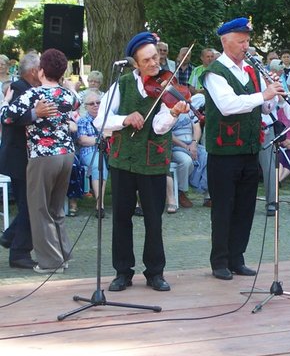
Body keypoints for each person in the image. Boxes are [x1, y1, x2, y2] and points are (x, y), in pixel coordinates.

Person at [94, 31, 189, 292]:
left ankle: (155, 272)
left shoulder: (165, 85)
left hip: (153, 161)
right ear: (135, 64)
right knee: (121, 218)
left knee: (154, 219)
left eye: (156, 58)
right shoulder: (120, 85)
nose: (154, 64)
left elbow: (159, 128)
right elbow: (100, 122)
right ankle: (122, 272)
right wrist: (124, 119)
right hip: (123, 161)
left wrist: (172, 113)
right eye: (147, 60)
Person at [200, 17, 284, 280]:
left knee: (246, 207)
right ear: (225, 42)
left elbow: (265, 108)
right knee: (224, 207)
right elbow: (228, 105)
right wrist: (264, 95)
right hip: (223, 151)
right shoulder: (214, 72)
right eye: (240, 41)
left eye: (247, 41)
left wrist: (274, 95)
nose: (246, 46)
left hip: (249, 148)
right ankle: (220, 261)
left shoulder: (251, 69)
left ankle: (238, 258)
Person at [1, 49, 81, 274]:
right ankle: (63, 256)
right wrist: (71, 88)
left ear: (42, 70)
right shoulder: (67, 95)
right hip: (66, 154)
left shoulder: (33, 95)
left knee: (40, 210)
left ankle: (50, 262)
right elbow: (76, 102)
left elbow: (6, 116)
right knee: (57, 208)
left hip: (43, 156)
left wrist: (5, 100)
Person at [0, 52, 56, 269]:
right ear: (34, 71)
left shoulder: (25, 88)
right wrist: (35, 113)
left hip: (23, 156)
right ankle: (19, 251)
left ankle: (11, 236)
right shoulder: (19, 89)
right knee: (30, 205)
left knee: (29, 204)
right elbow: (9, 119)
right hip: (18, 157)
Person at [77, 89, 108, 217]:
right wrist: (102, 138)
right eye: (91, 103)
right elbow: (83, 140)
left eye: (98, 102)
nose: (95, 105)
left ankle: (135, 204)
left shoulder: (108, 118)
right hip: (89, 151)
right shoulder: (83, 121)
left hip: (109, 150)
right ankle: (99, 204)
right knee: (98, 165)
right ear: (86, 107)